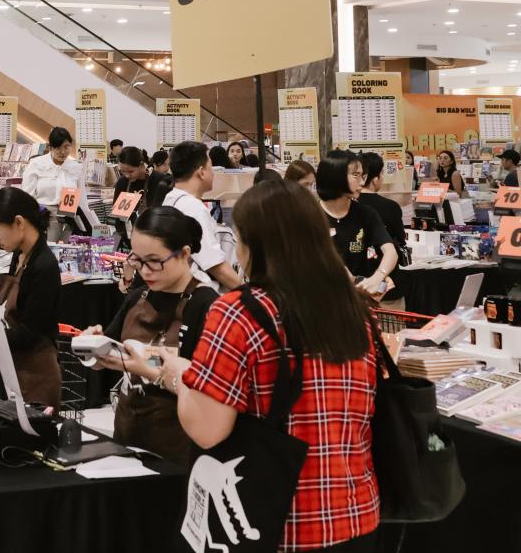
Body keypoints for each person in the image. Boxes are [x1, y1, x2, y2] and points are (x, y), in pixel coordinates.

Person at [141, 180, 380, 553]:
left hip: (275, 520)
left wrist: (175, 372)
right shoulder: (357, 311)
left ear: (253, 246)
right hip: (356, 513)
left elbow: (208, 429)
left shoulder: (238, 311)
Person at [83, 206, 218, 463]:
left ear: (185, 254)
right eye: (137, 260)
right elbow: (112, 354)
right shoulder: (137, 296)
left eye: (155, 261)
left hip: (179, 449)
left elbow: (206, 391)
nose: (144, 272)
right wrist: (96, 348)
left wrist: (147, 370)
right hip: (128, 440)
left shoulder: (206, 305)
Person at [0, 186, 62, 408]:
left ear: (19, 223)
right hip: (16, 367)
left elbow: (30, 332)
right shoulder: (19, 253)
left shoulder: (44, 266)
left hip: (37, 375)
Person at [316, 150, 397, 299]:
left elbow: (390, 251)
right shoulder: (311, 215)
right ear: (335, 176)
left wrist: (379, 276)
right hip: (320, 300)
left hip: (356, 301)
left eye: (363, 176)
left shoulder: (365, 213)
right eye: (355, 175)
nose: (361, 182)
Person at [162, 142, 241, 291]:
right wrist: (250, 294)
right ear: (201, 172)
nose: (213, 173)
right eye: (211, 168)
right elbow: (216, 266)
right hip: (198, 294)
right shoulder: (193, 208)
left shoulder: (172, 198)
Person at [356, 151, 407, 308]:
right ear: (375, 178)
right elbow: (399, 241)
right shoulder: (389, 207)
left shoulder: (348, 206)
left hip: (357, 286)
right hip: (387, 287)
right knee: (391, 331)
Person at [21, 127, 82, 206]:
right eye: (58, 148)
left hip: (68, 215)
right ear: (51, 148)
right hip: (42, 214)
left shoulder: (76, 167)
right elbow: (27, 196)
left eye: (66, 147)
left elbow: (81, 198)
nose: (63, 152)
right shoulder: (36, 164)